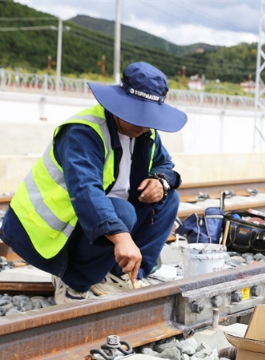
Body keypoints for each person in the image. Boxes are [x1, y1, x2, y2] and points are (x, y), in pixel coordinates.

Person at [0, 62, 186, 304]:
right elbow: (86, 191)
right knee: (122, 213)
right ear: (119, 106)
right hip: (45, 233)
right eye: (136, 115)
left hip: (87, 223)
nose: (143, 124)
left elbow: (166, 166)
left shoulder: (145, 133)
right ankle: (73, 283)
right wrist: (121, 238)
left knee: (168, 198)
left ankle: (120, 276)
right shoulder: (84, 131)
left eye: (148, 117)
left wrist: (160, 180)